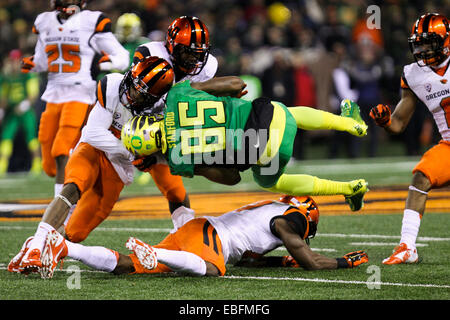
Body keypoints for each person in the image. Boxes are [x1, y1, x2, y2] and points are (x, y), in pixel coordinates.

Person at [8, 56, 175, 274]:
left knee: (75, 233)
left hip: (118, 169)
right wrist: (130, 149)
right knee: (73, 186)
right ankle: (37, 247)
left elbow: (160, 155)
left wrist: (150, 154)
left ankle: (33, 246)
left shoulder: (163, 112)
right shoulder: (113, 84)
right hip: (94, 148)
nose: (132, 92)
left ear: (155, 98)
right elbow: (95, 133)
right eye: (134, 84)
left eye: (140, 92)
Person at [123, 76, 369, 211]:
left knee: (270, 181)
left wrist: (197, 164)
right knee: (286, 112)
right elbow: (237, 83)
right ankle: (350, 124)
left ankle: (348, 189)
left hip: (263, 154)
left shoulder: (178, 161)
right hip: (274, 119)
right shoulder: (177, 94)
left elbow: (232, 179)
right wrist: (227, 101)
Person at [14, 195, 368, 278]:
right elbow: (309, 262)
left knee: (126, 267)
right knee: (212, 270)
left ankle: (66, 247)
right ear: (307, 218)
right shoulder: (289, 220)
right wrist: (342, 262)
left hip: (199, 229)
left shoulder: (273, 213)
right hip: (211, 237)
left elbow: (248, 254)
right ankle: (156, 252)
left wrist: (277, 261)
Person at [22, 0, 129, 198]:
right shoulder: (44, 21)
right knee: (48, 159)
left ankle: (61, 209)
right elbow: (42, 60)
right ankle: (80, 175)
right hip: (53, 92)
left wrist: (108, 63)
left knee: (61, 148)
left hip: (80, 92)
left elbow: (122, 56)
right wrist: (33, 64)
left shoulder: (90, 21)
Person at [370, 13, 450, 265]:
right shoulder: (414, 74)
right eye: (419, 43)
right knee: (420, 178)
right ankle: (407, 246)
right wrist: (385, 121)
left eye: (429, 43)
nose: (423, 49)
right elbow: (399, 123)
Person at [131, 16, 218, 217]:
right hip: (133, 121)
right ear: (171, 45)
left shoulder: (208, 67)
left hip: (162, 128)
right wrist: (136, 146)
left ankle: (184, 231)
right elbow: (134, 98)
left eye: (198, 53)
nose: (193, 59)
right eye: (187, 52)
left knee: (175, 191)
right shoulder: (150, 54)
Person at [0, 49, 41, 176]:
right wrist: (1, 109)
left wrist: (24, 105)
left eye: (16, 61)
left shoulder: (27, 74)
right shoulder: (6, 77)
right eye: (12, 61)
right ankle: (2, 164)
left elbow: (33, 94)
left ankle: (37, 163)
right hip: (13, 111)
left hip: (25, 110)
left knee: (31, 136)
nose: (14, 63)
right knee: (6, 136)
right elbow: (4, 96)